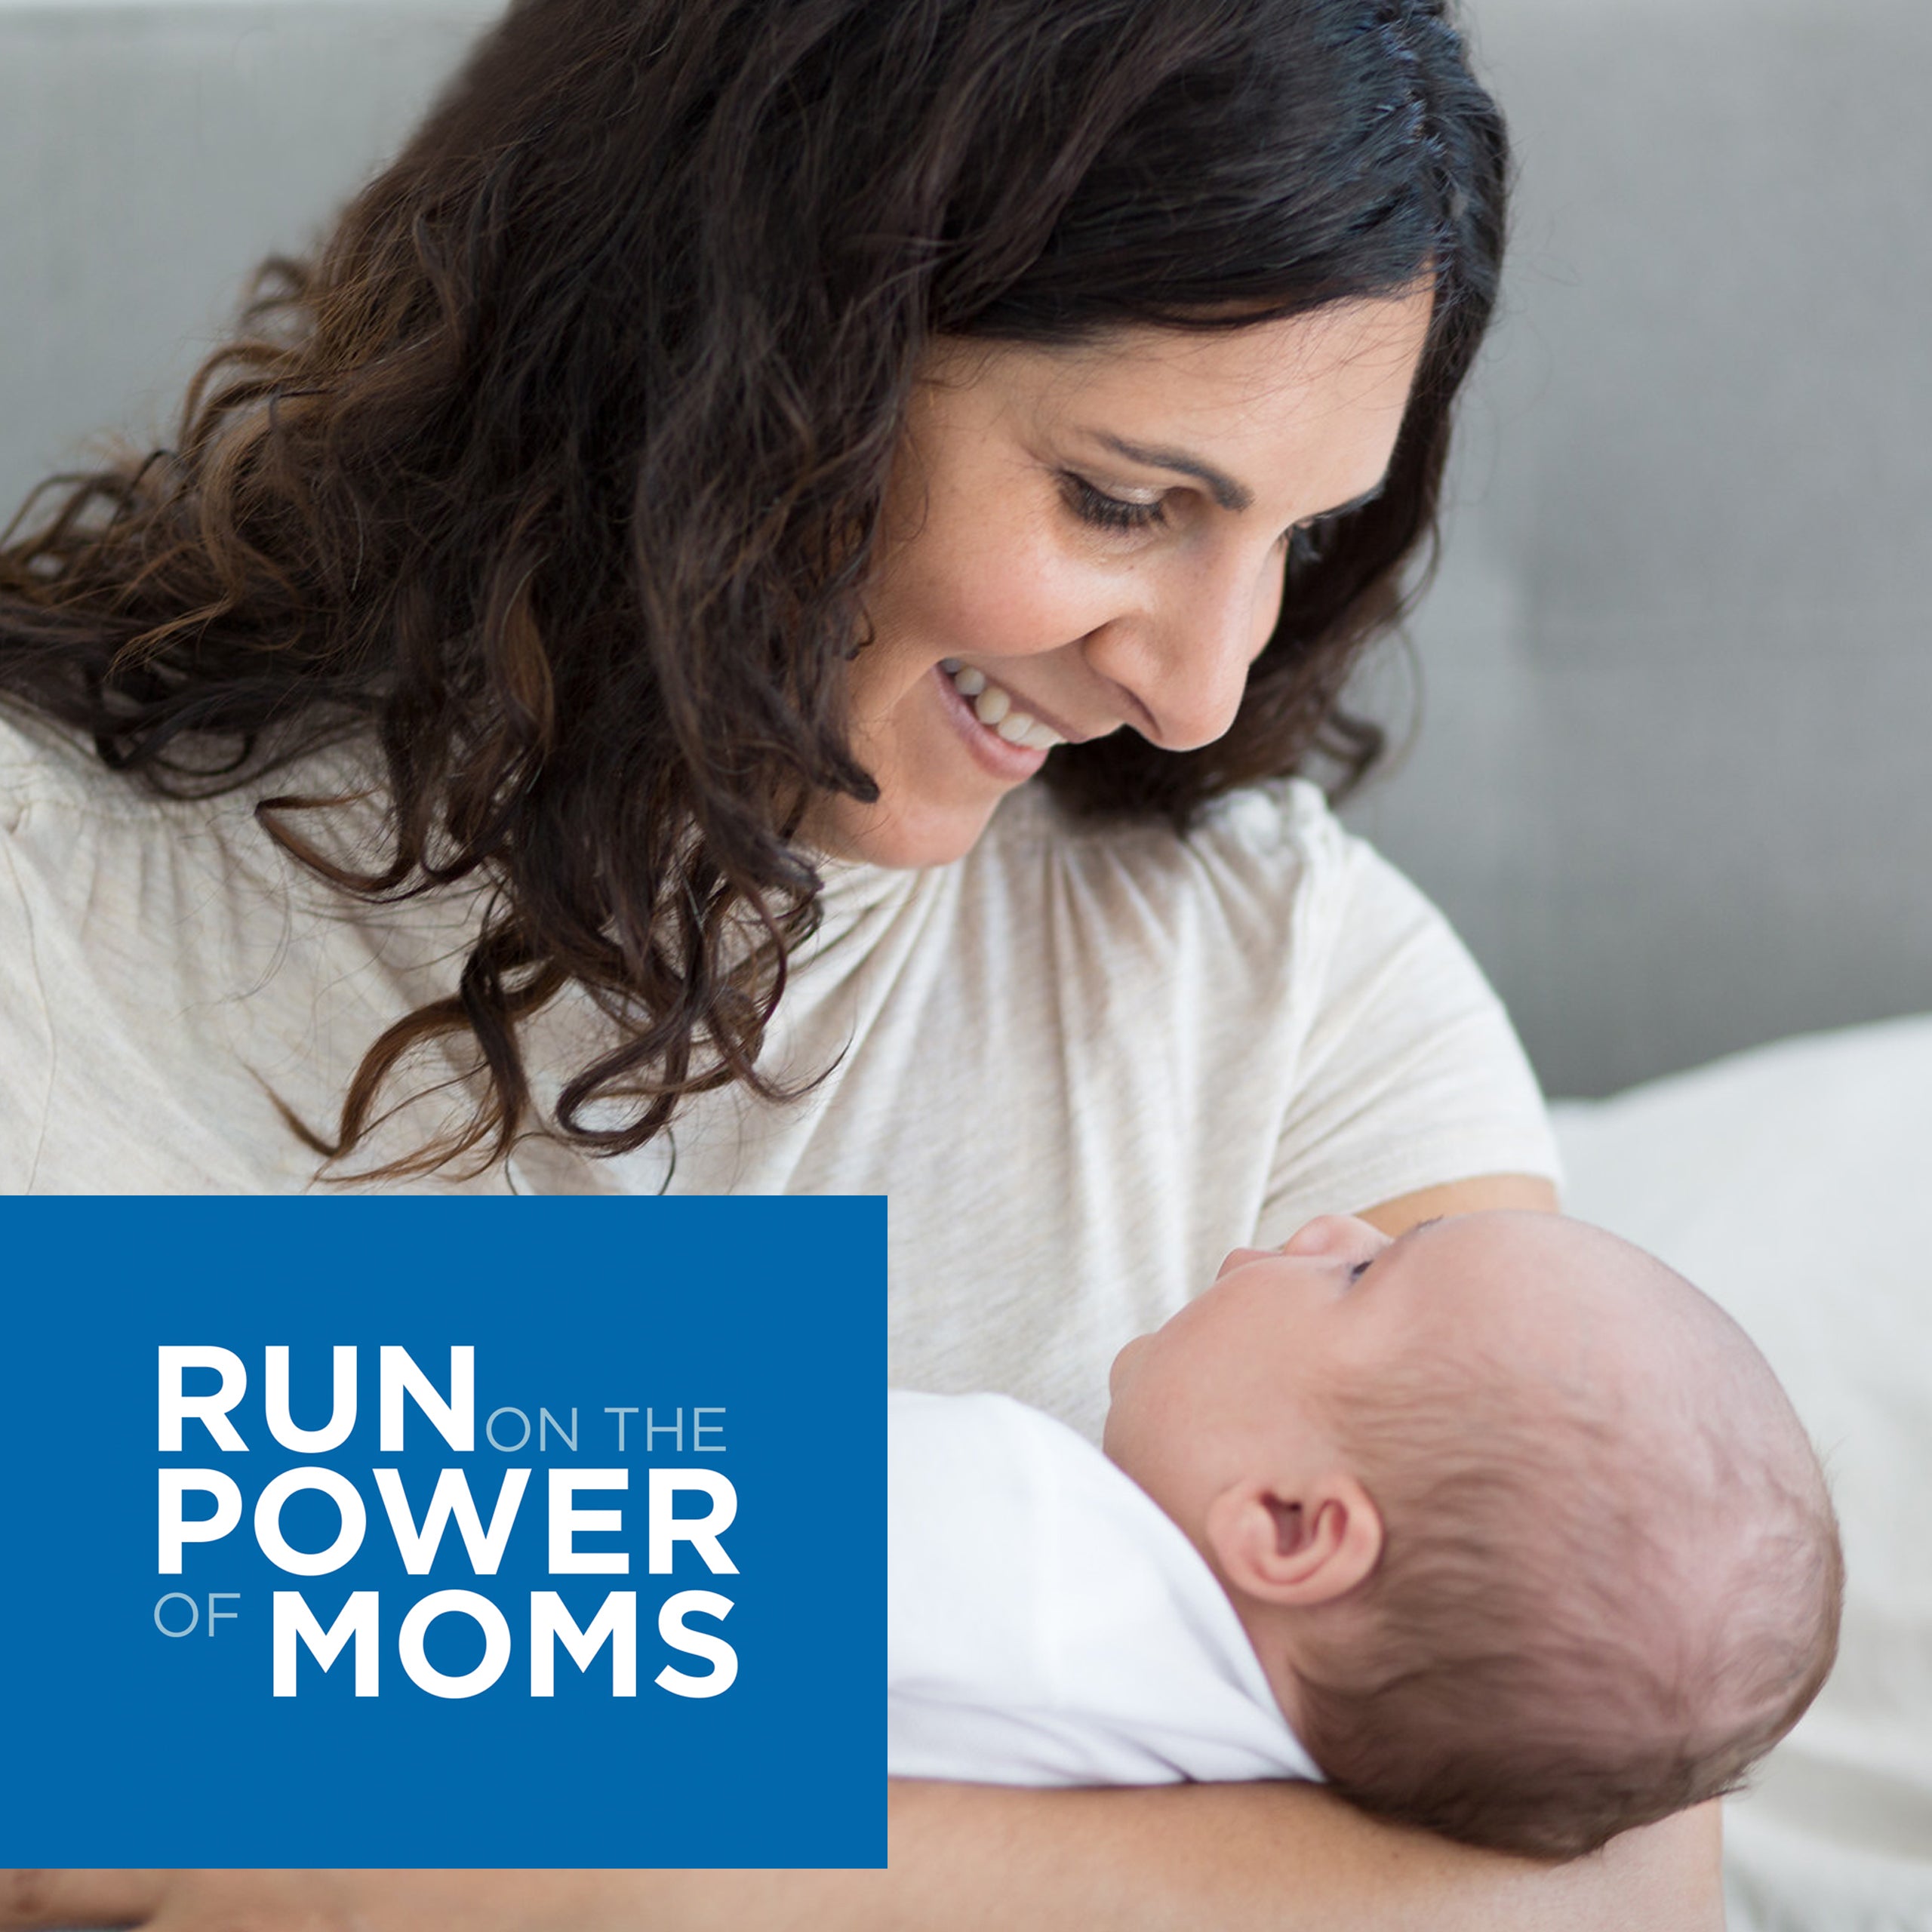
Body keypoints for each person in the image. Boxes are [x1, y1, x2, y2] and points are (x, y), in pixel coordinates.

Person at [0, 0, 1730, 1924]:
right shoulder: (49, 901)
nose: (1196, 686)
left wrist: (510, 1879)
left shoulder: (1279, 972)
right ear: (748, 348)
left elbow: (1610, 1859)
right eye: (1121, 499)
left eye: (1289, 538)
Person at [891, 1213, 1843, 1859]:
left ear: (1289, 1526)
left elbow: (743, 1438)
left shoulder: (1033, 1531)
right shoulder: (1236, 1800)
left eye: (1359, 1273)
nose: (1328, 1227)